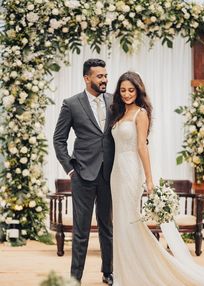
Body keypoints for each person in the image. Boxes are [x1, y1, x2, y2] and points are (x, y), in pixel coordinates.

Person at [110, 71, 204, 286]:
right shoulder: (119, 113)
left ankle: (136, 275)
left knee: (130, 222)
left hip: (131, 170)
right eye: (123, 90)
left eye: (131, 90)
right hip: (116, 172)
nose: (127, 94)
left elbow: (142, 147)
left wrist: (149, 180)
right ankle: (124, 273)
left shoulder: (141, 114)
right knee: (120, 224)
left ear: (138, 90)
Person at [53, 59, 114, 285]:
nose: (105, 80)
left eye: (106, 75)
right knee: (81, 230)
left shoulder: (114, 101)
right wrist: (70, 169)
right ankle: (75, 278)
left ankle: (108, 272)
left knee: (107, 227)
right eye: (100, 76)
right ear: (87, 78)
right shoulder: (71, 104)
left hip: (109, 174)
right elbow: (59, 139)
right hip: (82, 175)